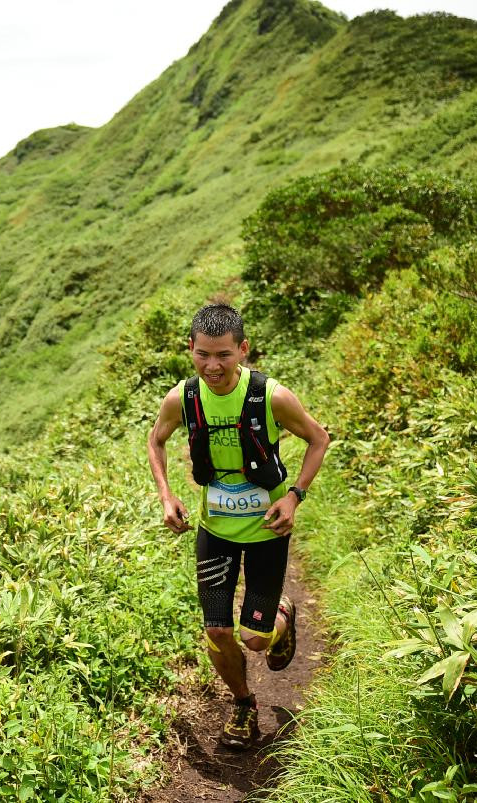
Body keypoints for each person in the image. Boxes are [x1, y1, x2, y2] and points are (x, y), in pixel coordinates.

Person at [146, 302, 329, 749]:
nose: (213, 366)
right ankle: (244, 704)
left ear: (243, 350)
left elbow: (318, 439)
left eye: (224, 355)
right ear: (191, 348)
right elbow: (155, 440)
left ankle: (281, 616)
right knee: (217, 631)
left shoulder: (272, 396)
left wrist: (294, 496)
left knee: (256, 640)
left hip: (267, 531)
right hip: (215, 531)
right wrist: (166, 495)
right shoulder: (183, 398)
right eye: (203, 354)